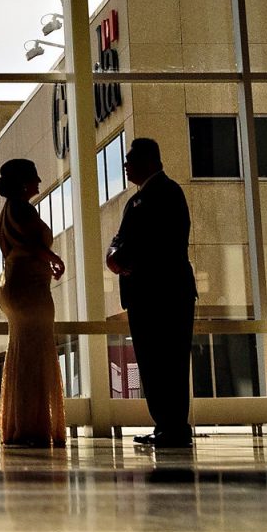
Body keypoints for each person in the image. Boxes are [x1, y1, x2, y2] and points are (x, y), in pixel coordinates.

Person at [106, 137, 196, 450]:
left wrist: (122, 258)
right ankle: (165, 426)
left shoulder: (168, 193)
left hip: (166, 293)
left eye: (130, 160)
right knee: (151, 362)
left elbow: (162, 242)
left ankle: (174, 428)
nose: (126, 166)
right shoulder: (136, 201)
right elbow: (118, 240)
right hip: (144, 295)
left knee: (168, 360)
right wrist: (115, 255)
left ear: (150, 161)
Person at [0, 157, 66, 449]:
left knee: (23, 355)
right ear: (25, 183)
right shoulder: (22, 208)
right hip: (29, 290)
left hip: (16, 286)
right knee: (34, 356)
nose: (39, 182)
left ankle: (21, 424)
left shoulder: (8, 209)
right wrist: (54, 259)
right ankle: (32, 426)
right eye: (34, 178)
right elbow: (32, 244)